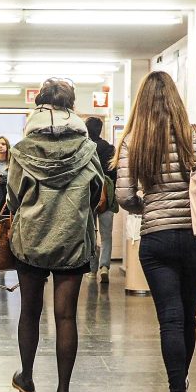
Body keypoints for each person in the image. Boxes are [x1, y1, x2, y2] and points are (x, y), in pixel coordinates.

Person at [114, 71, 196, 392]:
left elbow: (124, 196)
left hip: (157, 239)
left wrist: (149, 206)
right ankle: (181, 381)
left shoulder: (133, 140)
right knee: (187, 316)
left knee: (169, 319)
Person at [6, 78, 104, 392]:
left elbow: (14, 197)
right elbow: (96, 195)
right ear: (71, 109)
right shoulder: (88, 151)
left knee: (30, 312)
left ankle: (28, 379)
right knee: (66, 316)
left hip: (31, 240)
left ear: (39, 106)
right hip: (71, 242)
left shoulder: (23, 150)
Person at [85, 116, 117, 283]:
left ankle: (91, 270)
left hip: (88, 196)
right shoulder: (110, 149)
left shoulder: (84, 148)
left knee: (90, 234)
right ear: (101, 129)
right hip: (107, 194)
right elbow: (115, 172)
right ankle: (104, 266)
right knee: (106, 235)